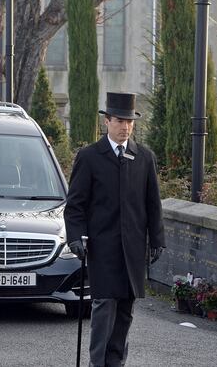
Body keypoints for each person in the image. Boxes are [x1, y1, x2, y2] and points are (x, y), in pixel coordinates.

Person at [63, 92, 165, 367]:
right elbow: (75, 206)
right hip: (102, 247)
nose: (125, 127)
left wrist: (157, 239)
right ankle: (98, 363)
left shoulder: (144, 157)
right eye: (120, 120)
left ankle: (115, 362)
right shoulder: (89, 157)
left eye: (129, 122)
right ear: (107, 121)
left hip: (132, 248)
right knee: (104, 306)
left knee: (125, 309)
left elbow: (152, 203)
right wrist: (75, 238)